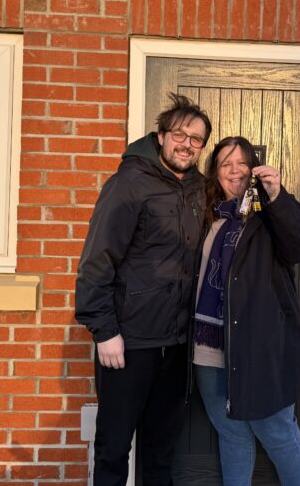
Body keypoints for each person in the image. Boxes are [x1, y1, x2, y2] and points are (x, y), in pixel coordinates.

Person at [75, 93, 212, 486]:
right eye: (180, 134)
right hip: (128, 343)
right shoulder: (129, 183)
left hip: (176, 344)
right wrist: (105, 332)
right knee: (115, 447)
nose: (187, 144)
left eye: (196, 139)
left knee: (160, 451)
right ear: (162, 135)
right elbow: (97, 260)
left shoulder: (199, 190)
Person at [193, 136, 300, 486]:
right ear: (215, 173)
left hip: (258, 346)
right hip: (209, 347)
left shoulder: (267, 214)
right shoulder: (209, 216)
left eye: (241, 163)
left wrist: (277, 195)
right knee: (231, 433)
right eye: (225, 164)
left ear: (253, 169)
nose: (234, 170)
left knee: (277, 430)